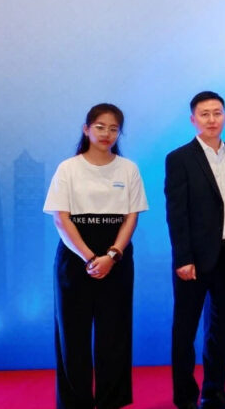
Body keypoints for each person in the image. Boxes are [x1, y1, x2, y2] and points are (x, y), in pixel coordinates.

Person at [43, 103, 148, 409]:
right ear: (86, 129)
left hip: (117, 255)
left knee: (114, 333)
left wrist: (112, 255)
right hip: (75, 256)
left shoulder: (128, 169)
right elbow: (61, 218)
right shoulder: (68, 168)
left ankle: (111, 400)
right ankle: (75, 402)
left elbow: (132, 217)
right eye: (100, 127)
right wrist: (90, 258)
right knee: (72, 334)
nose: (106, 134)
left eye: (114, 129)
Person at [164, 91, 225, 409]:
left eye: (217, 113)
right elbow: (176, 213)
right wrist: (183, 258)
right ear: (193, 119)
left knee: (221, 327)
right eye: (204, 114)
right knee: (185, 330)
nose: (212, 120)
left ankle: (214, 392)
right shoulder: (179, 158)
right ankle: (185, 398)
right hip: (194, 259)